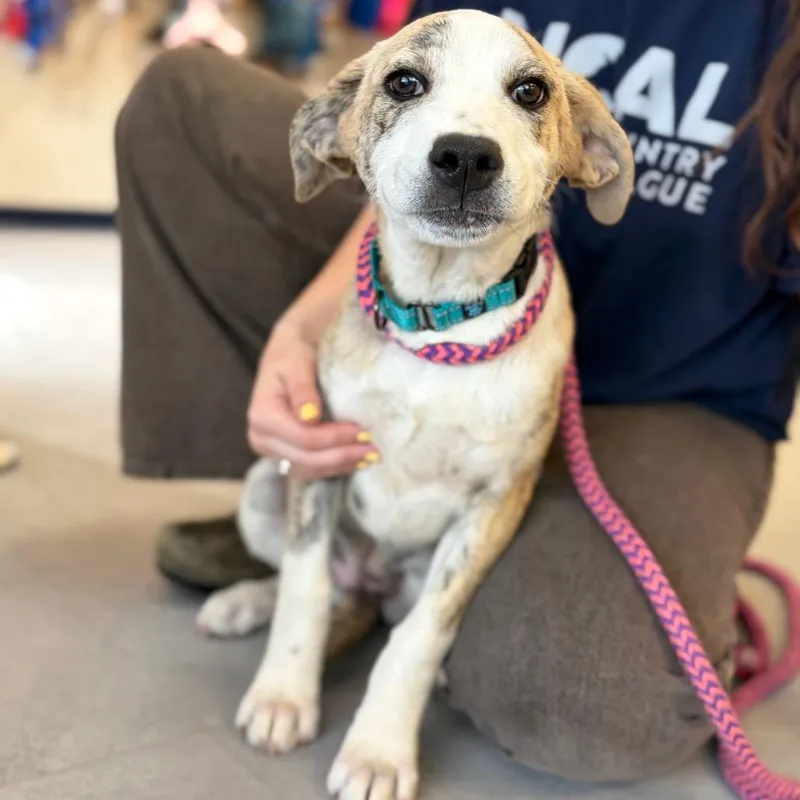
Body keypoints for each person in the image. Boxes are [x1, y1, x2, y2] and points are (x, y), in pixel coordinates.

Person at [114, 0, 800, 783]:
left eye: (528, 94)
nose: (467, 146)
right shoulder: (370, 124)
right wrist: (302, 325)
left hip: (677, 388)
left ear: (589, 151)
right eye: (409, 84)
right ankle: (311, 585)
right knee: (181, 92)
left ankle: (415, 622)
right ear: (334, 131)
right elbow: (417, 110)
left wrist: (401, 681)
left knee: (596, 702)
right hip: (406, 295)